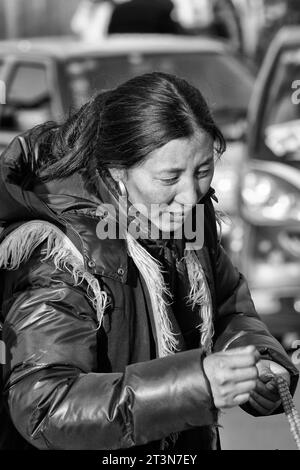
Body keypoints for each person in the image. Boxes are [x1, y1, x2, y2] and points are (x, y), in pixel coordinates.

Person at [0, 72, 298, 451]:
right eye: (169, 176)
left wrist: (261, 362)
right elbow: (44, 405)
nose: (190, 195)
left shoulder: (183, 219)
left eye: (203, 170)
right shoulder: (58, 252)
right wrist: (193, 385)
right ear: (116, 170)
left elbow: (227, 310)